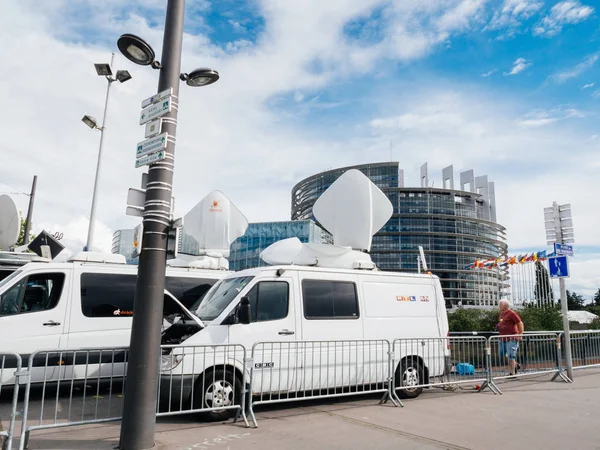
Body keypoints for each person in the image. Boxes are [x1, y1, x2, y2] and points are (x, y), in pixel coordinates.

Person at [496, 299, 524, 377]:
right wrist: (499, 325)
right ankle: (516, 365)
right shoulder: (502, 314)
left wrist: (520, 334)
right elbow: (502, 322)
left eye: (500, 304)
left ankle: (512, 373)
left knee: (511, 355)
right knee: (502, 354)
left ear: (505, 305)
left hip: (511, 337)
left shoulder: (512, 313)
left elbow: (520, 323)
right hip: (502, 337)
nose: (499, 306)